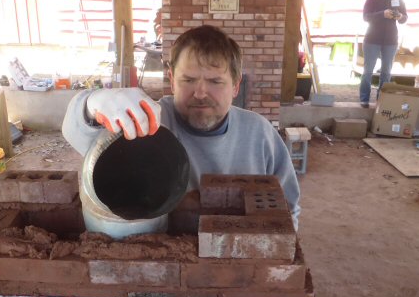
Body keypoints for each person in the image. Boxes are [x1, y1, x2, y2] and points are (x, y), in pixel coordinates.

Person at [62, 24, 301, 226]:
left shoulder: (259, 134)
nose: (200, 93)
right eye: (188, 80)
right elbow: (75, 133)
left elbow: (288, 207)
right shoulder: (149, 124)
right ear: (172, 80)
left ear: (236, 86)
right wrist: (92, 102)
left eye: (215, 81)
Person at [359, 0, 408, 107]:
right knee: (368, 70)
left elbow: (405, 17)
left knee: (386, 72)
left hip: (391, 40)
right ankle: (364, 99)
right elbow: (366, 16)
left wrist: (399, 17)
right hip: (372, 38)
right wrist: (383, 14)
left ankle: (382, 100)